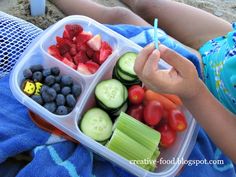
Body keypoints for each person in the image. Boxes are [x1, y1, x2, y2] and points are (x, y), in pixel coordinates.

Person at [51, 0, 236, 163]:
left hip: (211, 95)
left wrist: (194, 92)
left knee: (119, 15)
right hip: (225, 44)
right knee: (147, 4)